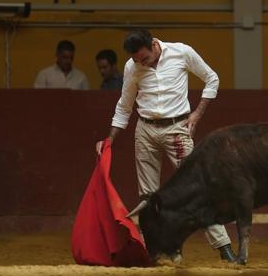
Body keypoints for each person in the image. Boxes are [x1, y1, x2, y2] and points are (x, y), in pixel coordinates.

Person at [95, 29, 236, 262]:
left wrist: (197, 114)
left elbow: (212, 78)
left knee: (195, 189)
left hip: (177, 129)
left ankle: (223, 247)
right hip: (145, 131)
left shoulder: (182, 52)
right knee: (148, 197)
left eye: (145, 58)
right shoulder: (133, 66)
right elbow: (124, 105)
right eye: (137, 60)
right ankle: (153, 251)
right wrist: (110, 138)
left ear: (154, 45)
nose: (141, 63)